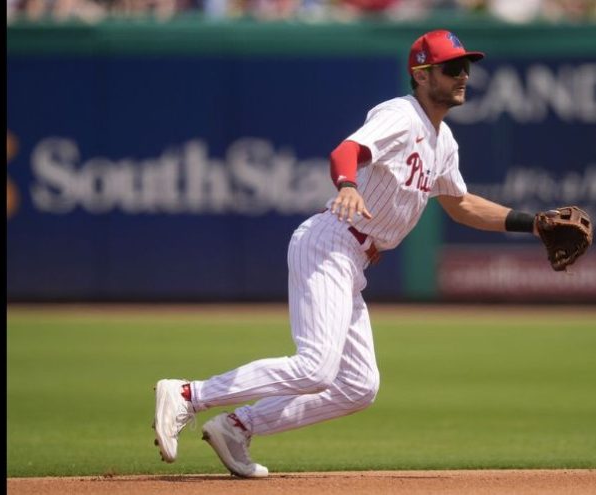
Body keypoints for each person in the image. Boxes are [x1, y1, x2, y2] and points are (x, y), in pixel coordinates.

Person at [153, 29, 545, 478]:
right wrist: (347, 185)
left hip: (354, 259)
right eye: (451, 67)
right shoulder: (402, 115)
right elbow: (347, 151)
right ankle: (188, 395)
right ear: (420, 74)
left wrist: (531, 223)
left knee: (358, 386)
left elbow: (461, 205)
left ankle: (238, 426)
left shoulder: (444, 142)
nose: (463, 76)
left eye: (466, 67)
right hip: (331, 242)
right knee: (316, 367)